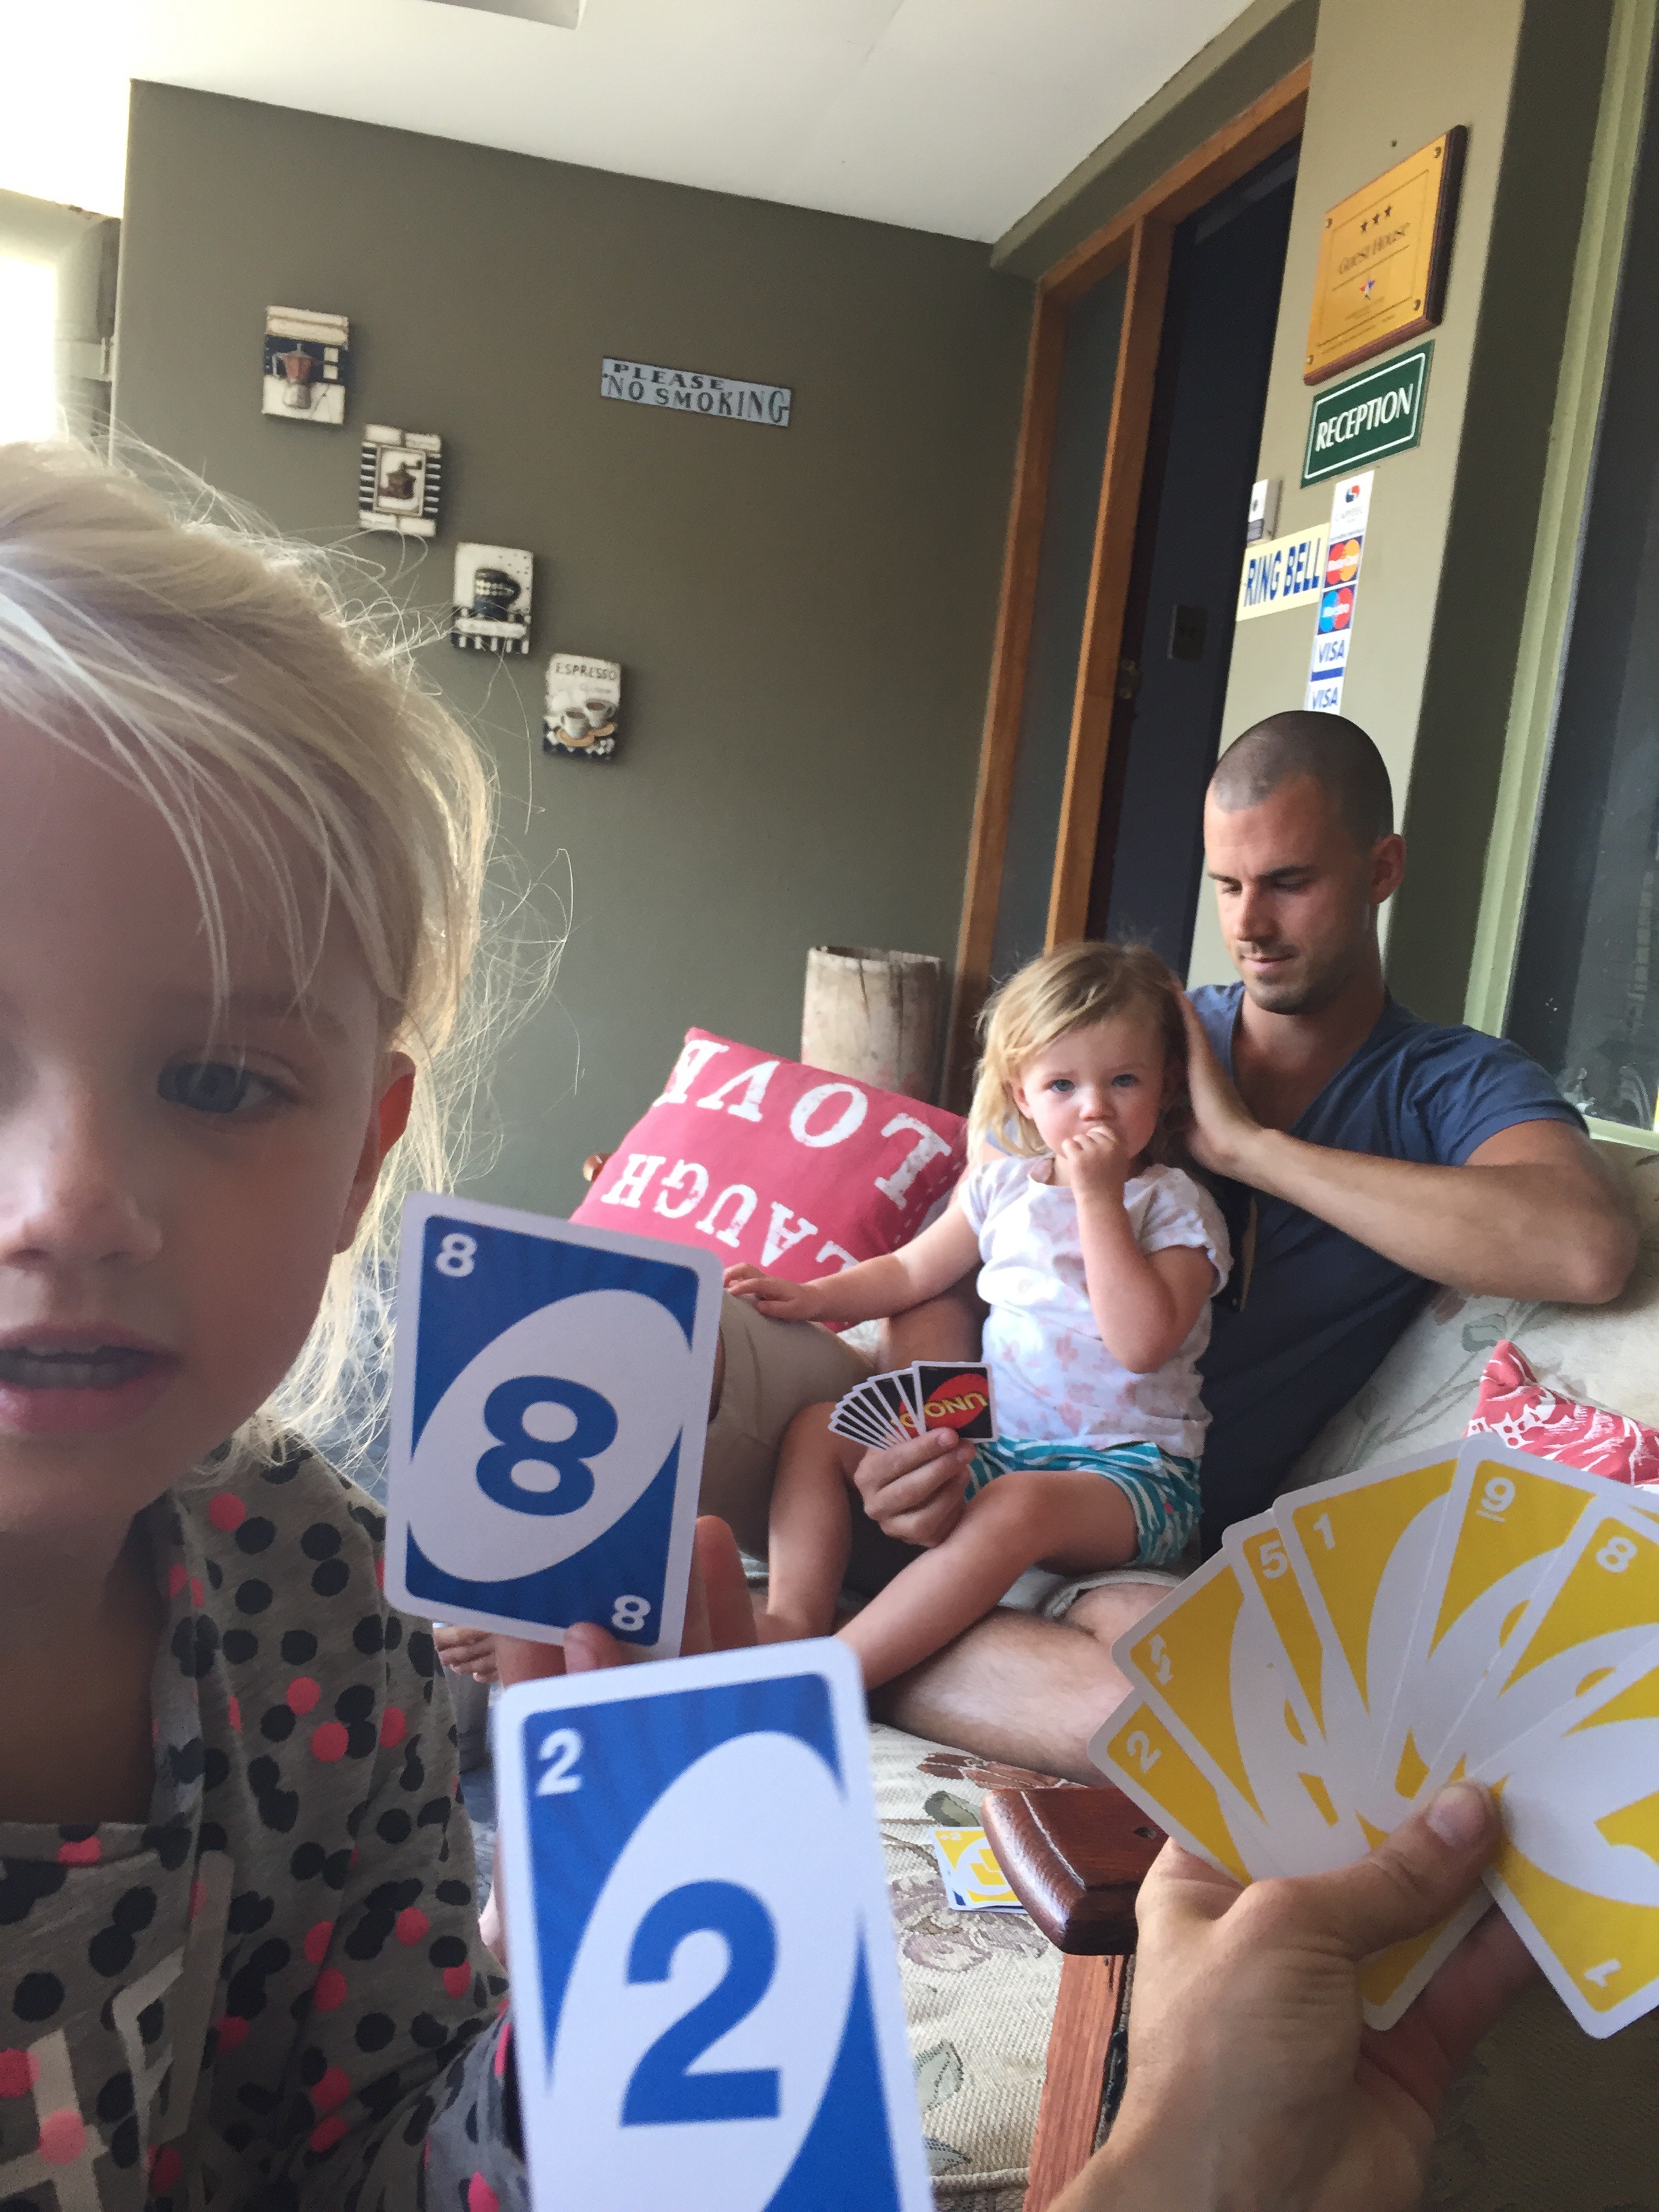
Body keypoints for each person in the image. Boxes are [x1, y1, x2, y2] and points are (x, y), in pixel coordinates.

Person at [716, 712, 1635, 1780]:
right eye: (1228, 886)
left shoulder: (1444, 1083)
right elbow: (959, 1253)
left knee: (1166, 1718)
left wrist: (1250, 1151)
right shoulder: (1132, 1036)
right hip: (968, 1453)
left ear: (1382, 869)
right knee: (695, 1354)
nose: (1251, 924)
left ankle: (820, 1648)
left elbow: (1585, 1250)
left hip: (1132, 1518)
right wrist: (926, 1428)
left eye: (1290, 882)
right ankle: (818, 1624)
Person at [0, 441, 529, 2207]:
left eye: (221, 1080)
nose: (74, 1202)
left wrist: (585, 2043)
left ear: (364, 1160)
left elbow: (376, 2159)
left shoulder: (326, 1599)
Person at [724, 943, 1228, 1687]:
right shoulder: (1002, 1189)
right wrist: (815, 1295)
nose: (1094, 1106)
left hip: (1129, 1475)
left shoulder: (1173, 1206)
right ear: (1023, 1096)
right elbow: (909, 1271)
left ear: (1166, 1085)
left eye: (1123, 1080)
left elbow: (1142, 1343)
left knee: (1016, 1505)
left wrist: (1097, 1200)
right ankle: (795, 1619)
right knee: (818, 1429)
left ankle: (832, 1678)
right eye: (1063, 1084)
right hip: (999, 1446)